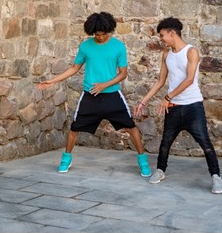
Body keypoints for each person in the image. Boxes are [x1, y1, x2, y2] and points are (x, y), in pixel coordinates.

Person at [38, 12, 151, 177]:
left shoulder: (118, 46)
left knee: (131, 128)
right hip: (90, 96)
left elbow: (123, 74)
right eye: (96, 34)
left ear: (108, 30)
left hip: (112, 95)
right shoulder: (85, 46)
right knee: (74, 128)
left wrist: (104, 85)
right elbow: (74, 68)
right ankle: (66, 159)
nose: (99, 37)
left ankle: (143, 162)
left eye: (102, 34)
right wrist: (53, 81)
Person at [134, 17, 222, 194]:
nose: (161, 39)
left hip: (192, 106)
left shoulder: (191, 52)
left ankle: (216, 177)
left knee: (204, 142)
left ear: (172, 33)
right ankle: (160, 170)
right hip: (173, 107)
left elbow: (189, 79)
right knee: (165, 142)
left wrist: (168, 96)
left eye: (162, 35)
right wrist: (143, 101)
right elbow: (160, 81)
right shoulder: (166, 54)